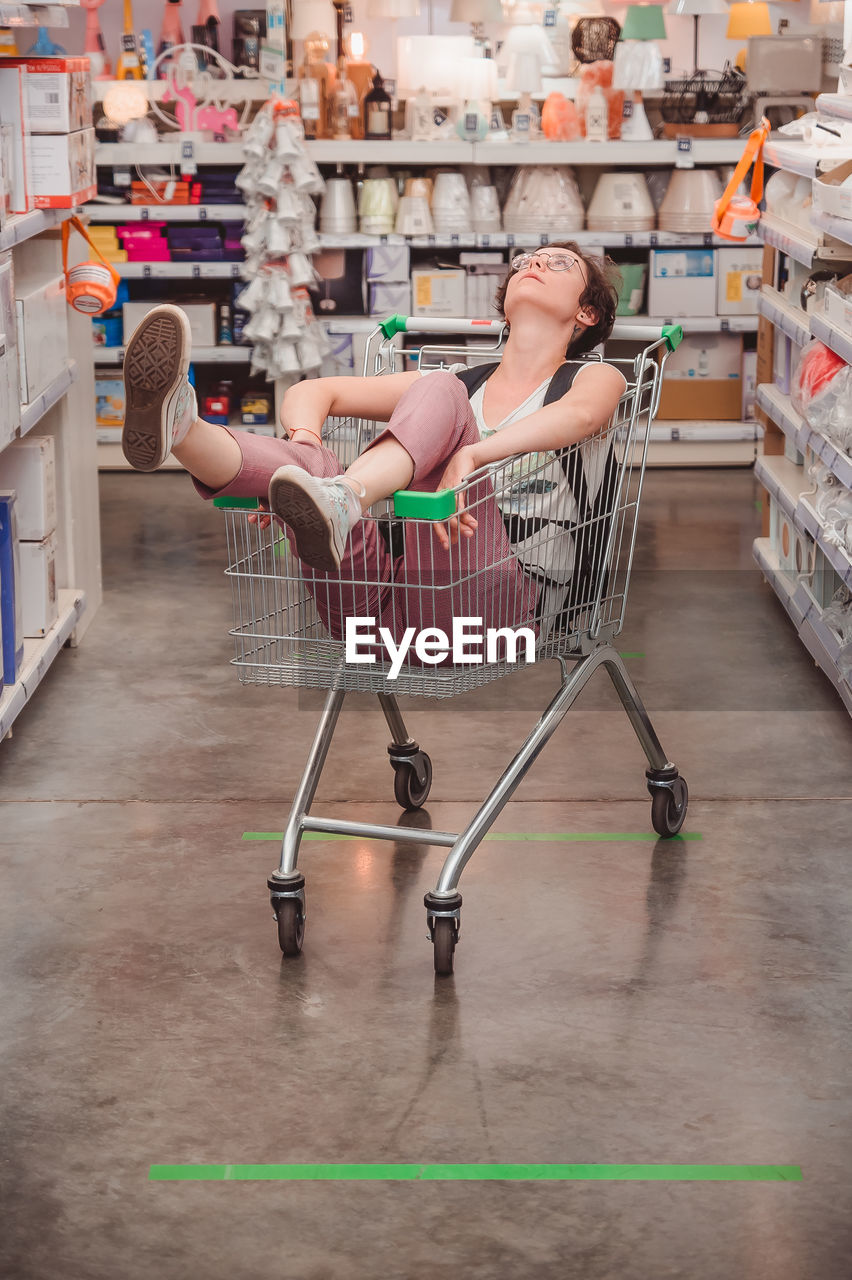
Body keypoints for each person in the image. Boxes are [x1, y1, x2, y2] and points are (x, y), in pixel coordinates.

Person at [120, 243, 626, 647]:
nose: (533, 263)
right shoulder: (460, 383)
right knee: (317, 462)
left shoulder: (594, 378)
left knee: (438, 389)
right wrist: (304, 447)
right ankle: (185, 429)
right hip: (379, 615)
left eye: (557, 264)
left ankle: (339, 495)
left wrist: (472, 454)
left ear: (585, 313)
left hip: (498, 612)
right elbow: (312, 391)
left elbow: (582, 417)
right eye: (524, 263)